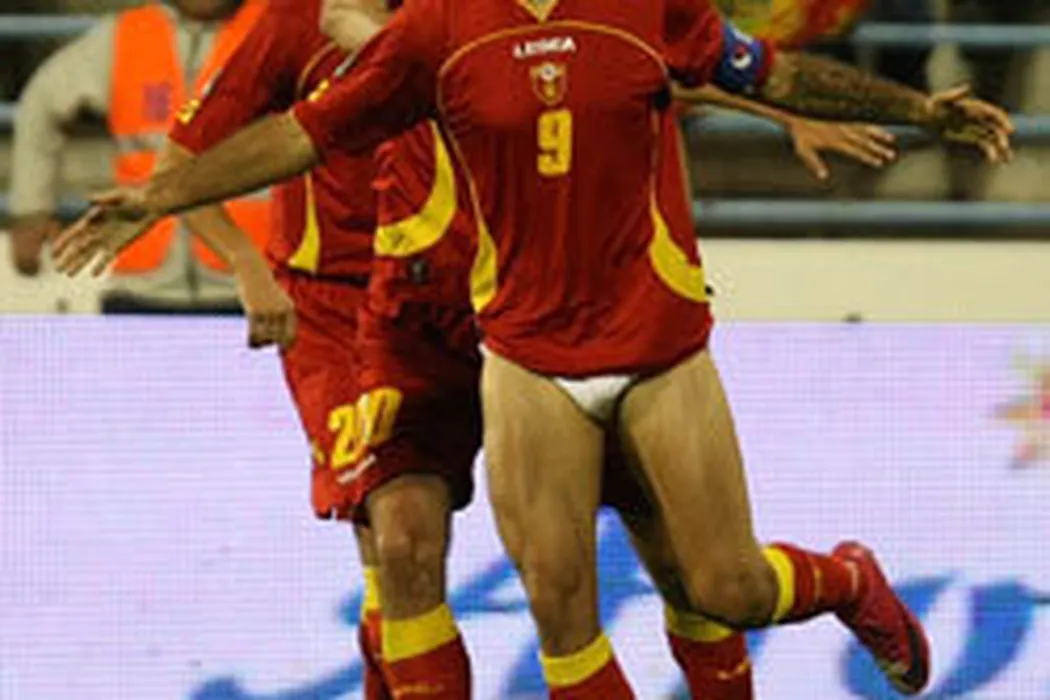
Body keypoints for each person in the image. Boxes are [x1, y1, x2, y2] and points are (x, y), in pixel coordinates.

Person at [53, 1, 1014, 696]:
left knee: (716, 582)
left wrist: (894, 110)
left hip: (641, 337)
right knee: (499, 589)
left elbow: (730, 67)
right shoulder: (418, 27)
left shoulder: (611, 9)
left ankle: (844, 578)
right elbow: (304, 134)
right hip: (459, 336)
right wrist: (165, 200)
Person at [7, 0, 270, 313]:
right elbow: (41, 103)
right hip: (140, 288)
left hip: (258, 289)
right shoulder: (125, 34)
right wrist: (31, 209)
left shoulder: (278, 29)